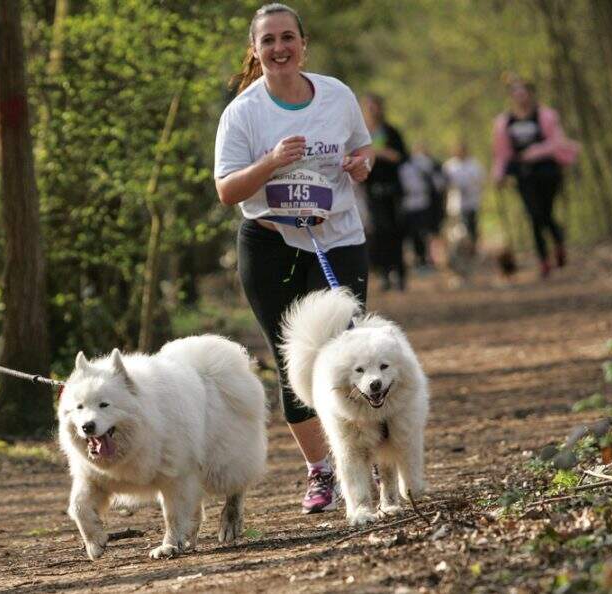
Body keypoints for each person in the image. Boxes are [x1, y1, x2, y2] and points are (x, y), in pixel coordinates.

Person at [215, 3, 373, 514]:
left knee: (350, 354)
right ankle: (321, 471)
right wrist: (271, 162)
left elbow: (364, 152)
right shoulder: (243, 112)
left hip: (338, 238)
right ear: (256, 51)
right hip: (270, 243)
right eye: (268, 41)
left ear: (303, 45)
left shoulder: (336, 95)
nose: (279, 49)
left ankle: (362, 460)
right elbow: (226, 189)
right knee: (296, 363)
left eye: (288, 38)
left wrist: (358, 165)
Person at [491, 79, 579, 278]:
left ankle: (558, 242)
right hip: (524, 174)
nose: (520, 96)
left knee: (546, 213)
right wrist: (498, 174)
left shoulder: (546, 115)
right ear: (511, 96)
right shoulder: (505, 122)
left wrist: (534, 152)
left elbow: (557, 141)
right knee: (534, 215)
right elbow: (501, 151)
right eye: (516, 93)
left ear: (531, 94)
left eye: (523, 92)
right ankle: (544, 260)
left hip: (548, 171)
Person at [361, 94, 409, 291]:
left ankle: (399, 272)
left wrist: (380, 154)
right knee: (377, 233)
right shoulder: (361, 133)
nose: (373, 111)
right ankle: (383, 273)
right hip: (371, 191)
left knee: (395, 230)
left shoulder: (390, 132)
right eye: (369, 107)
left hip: (393, 190)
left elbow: (402, 157)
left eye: (375, 107)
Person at [443, 141, 484, 249]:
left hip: (472, 201)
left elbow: (480, 180)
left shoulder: (474, 164)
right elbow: (445, 184)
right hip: (456, 202)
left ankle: (473, 247)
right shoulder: (449, 166)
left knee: (472, 225)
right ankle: (459, 249)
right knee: (458, 227)